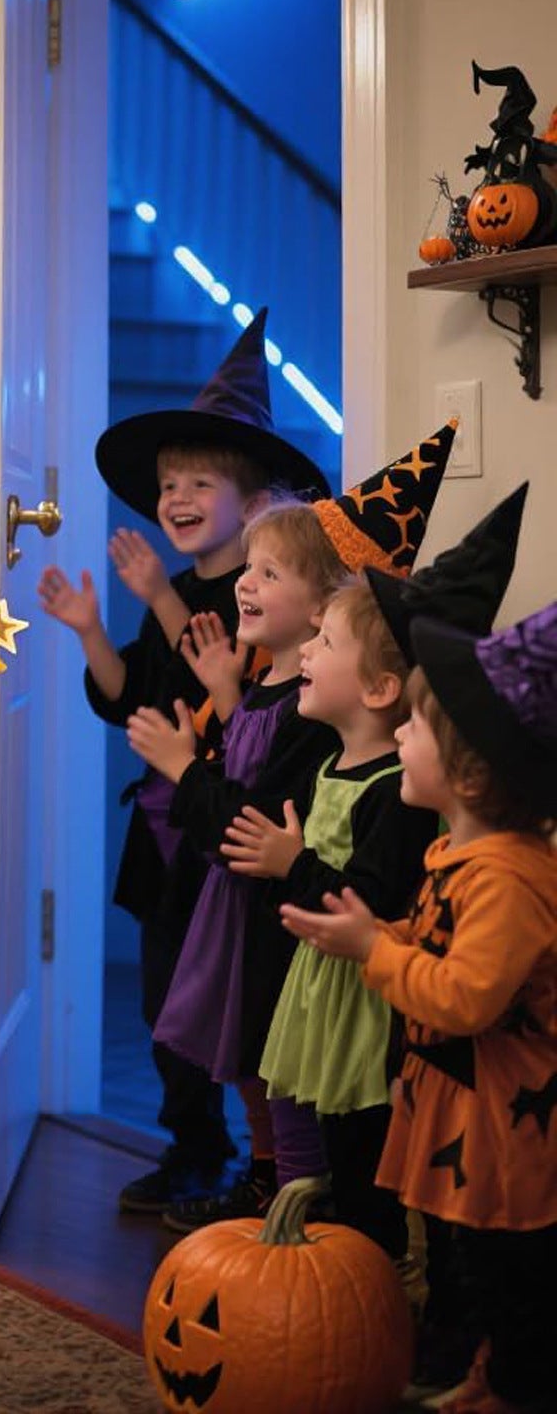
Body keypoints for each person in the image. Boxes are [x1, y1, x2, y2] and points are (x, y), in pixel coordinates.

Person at [131, 422, 457, 1232]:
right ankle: (281, 1191)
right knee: (265, 1066)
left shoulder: (336, 736)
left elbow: (252, 802)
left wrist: (183, 766)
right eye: (249, 567)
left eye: (267, 572)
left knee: (298, 1085)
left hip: (301, 932)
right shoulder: (282, 690)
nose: (246, 583)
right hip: (266, 911)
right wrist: (224, 695)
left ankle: (309, 1215)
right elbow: (255, 771)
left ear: (322, 615)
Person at [36, 311, 327, 1217]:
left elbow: (230, 709)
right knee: (168, 1009)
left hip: (220, 823)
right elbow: (136, 700)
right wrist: (91, 633)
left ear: (256, 499)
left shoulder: (263, 600)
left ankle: (257, 1163)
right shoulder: (185, 584)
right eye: (169, 484)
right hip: (163, 833)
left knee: (228, 1008)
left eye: (202, 481)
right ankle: (191, 1147)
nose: (178, 496)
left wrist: (162, 596)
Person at [281, 598, 556, 1414]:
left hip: (511, 1125)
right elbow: (438, 948)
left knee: (513, 1280)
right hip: (467, 1111)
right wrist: (386, 931)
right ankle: (490, 1375)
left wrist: (376, 950)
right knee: (467, 1259)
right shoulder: (458, 855)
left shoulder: (508, 876)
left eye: (418, 729)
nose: (400, 733)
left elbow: (469, 994)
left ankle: (516, 1386)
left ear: (470, 773)